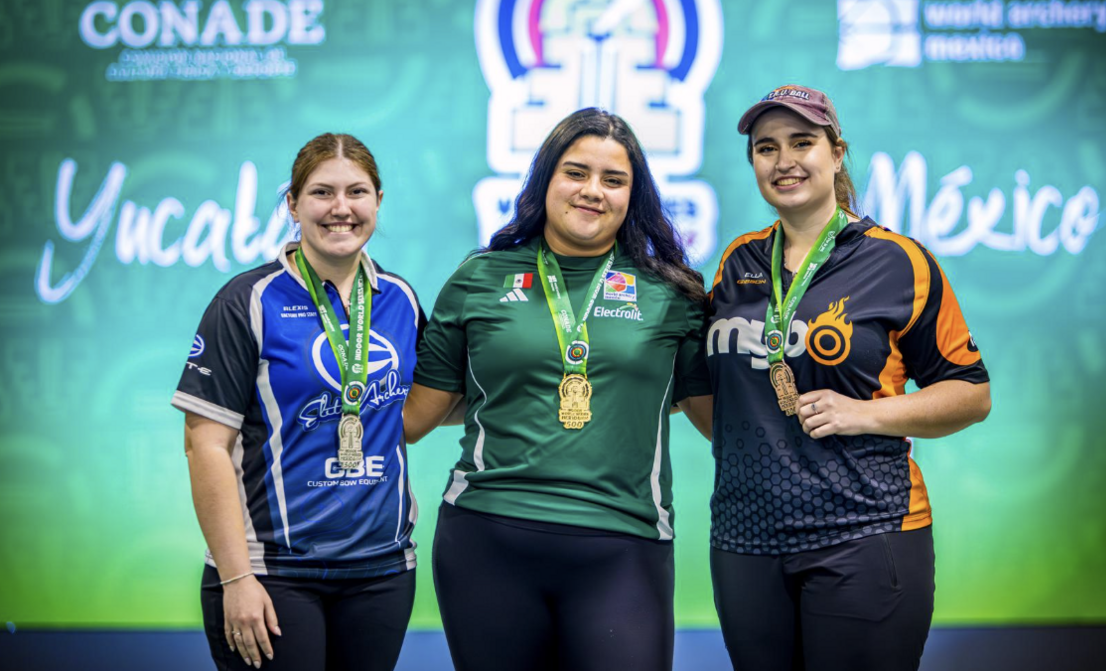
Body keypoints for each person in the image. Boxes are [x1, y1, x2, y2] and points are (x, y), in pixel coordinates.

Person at [404, 108, 713, 671]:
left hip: (625, 542)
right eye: (575, 172)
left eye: (613, 180)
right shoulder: (479, 278)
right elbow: (418, 416)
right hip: (487, 537)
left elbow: (718, 422)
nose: (592, 191)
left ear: (633, 196)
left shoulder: (673, 295)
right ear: (545, 179)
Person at [706, 85, 991, 670]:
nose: (784, 161)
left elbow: (971, 393)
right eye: (766, 148)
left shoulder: (898, 261)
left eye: (802, 143)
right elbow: (715, 388)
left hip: (863, 530)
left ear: (836, 154)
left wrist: (864, 413)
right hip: (745, 538)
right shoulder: (737, 261)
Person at [174, 133, 422, 671]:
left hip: (380, 572)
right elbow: (205, 446)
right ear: (293, 203)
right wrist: (237, 578)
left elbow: (421, 408)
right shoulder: (247, 300)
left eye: (357, 192)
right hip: (272, 573)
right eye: (322, 192)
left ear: (378, 200)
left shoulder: (400, 299)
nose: (341, 208)